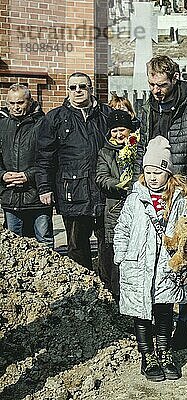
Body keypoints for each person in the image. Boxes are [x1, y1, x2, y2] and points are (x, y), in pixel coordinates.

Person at [113, 136, 187, 382]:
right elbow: (122, 228)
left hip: (166, 267)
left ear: (168, 171)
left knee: (164, 310)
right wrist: (121, 256)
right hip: (138, 265)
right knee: (141, 313)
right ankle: (147, 355)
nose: (153, 177)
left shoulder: (181, 199)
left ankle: (164, 352)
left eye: (158, 172)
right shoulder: (135, 198)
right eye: (148, 172)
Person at [138, 55, 187, 348]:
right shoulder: (148, 105)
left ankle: (184, 321)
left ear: (175, 78)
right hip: (155, 183)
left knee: (184, 258)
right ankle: (158, 319)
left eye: (162, 85)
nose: (156, 90)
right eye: (152, 84)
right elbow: (145, 143)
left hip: (181, 187)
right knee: (154, 255)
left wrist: (184, 186)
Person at [36, 72, 111, 272]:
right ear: (68, 91)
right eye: (73, 87)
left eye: (82, 86)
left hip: (104, 192)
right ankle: (84, 294)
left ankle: (109, 293)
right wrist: (44, 187)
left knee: (108, 247)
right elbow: (44, 157)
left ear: (91, 89)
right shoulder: (55, 118)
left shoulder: (106, 114)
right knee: (77, 247)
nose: (78, 91)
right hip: (72, 192)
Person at [0, 84, 53, 248]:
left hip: (37, 195)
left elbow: (49, 158)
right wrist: (2, 175)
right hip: (10, 195)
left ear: (29, 102)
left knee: (44, 242)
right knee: (14, 245)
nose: (16, 107)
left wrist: (27, 176)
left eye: (20, 103)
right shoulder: (2, 125)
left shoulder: (42, 124)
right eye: (12, 103)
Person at [96, 109, 139, 299]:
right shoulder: (105, 153)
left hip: (137, 207)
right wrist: (123, 185)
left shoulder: (137, 148)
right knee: (115, 254)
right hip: (115, 208)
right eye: (114, 131)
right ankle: (115, 294)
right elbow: (101, 177)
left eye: (122, 130)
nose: (119, 134)